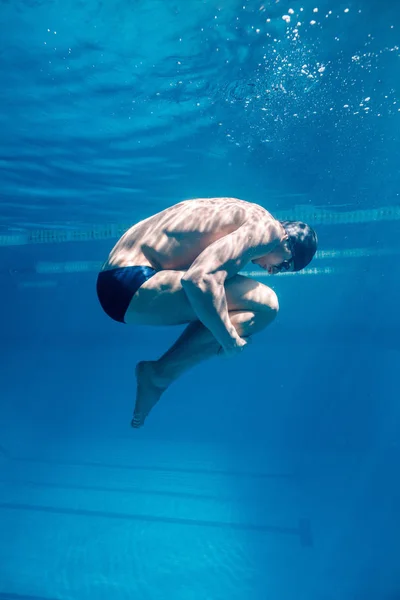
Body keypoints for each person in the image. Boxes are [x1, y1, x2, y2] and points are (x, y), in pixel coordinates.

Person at [96, 197, 318, 428]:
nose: (273, 271)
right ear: (287, 243)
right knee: (267, 305)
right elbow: (199, 280)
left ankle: (159, 374)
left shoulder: (251, 214)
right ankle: (160, 374)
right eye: (284, 265)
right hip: (128, 286)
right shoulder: (270, 231)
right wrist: (229, 341)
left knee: (221, 299)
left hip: (118, 279)